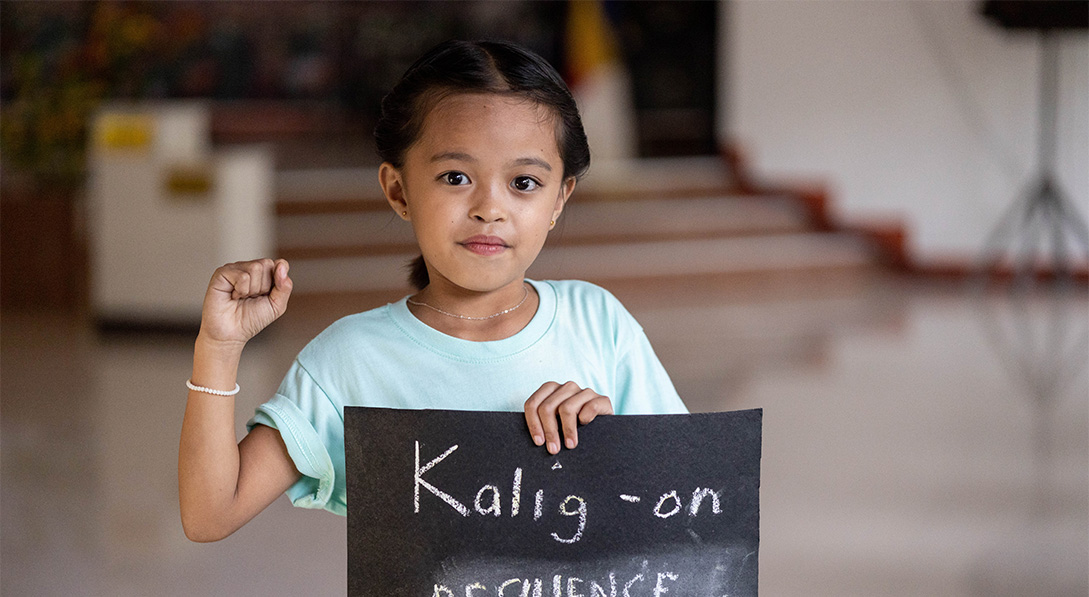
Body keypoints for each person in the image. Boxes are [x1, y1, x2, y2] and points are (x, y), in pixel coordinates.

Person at [178, 40, 687, 543]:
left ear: (560, 198)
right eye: (456, 176)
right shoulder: (351, 360)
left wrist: (613, 444)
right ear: (398, 190)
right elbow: (210, 515)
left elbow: (691, 502)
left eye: (524, 183)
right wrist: (218, 350)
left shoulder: (597, 322)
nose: (490, 207)